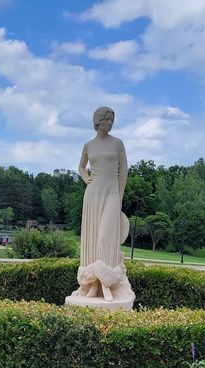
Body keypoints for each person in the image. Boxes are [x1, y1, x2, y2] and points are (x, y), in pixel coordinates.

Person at [74, 106, 131, 302]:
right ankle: (93, 285)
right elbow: (81, 167)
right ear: (98, 121)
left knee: (104, 238)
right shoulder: (88, 145)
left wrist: (120, 196)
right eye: (106, 120)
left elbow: (124, 172)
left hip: (112, 194)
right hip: (93, 194)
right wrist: (86, 178)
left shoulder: (118, 143)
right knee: (92, 240)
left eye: (112, 120)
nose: (110, 123)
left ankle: (107, 284)